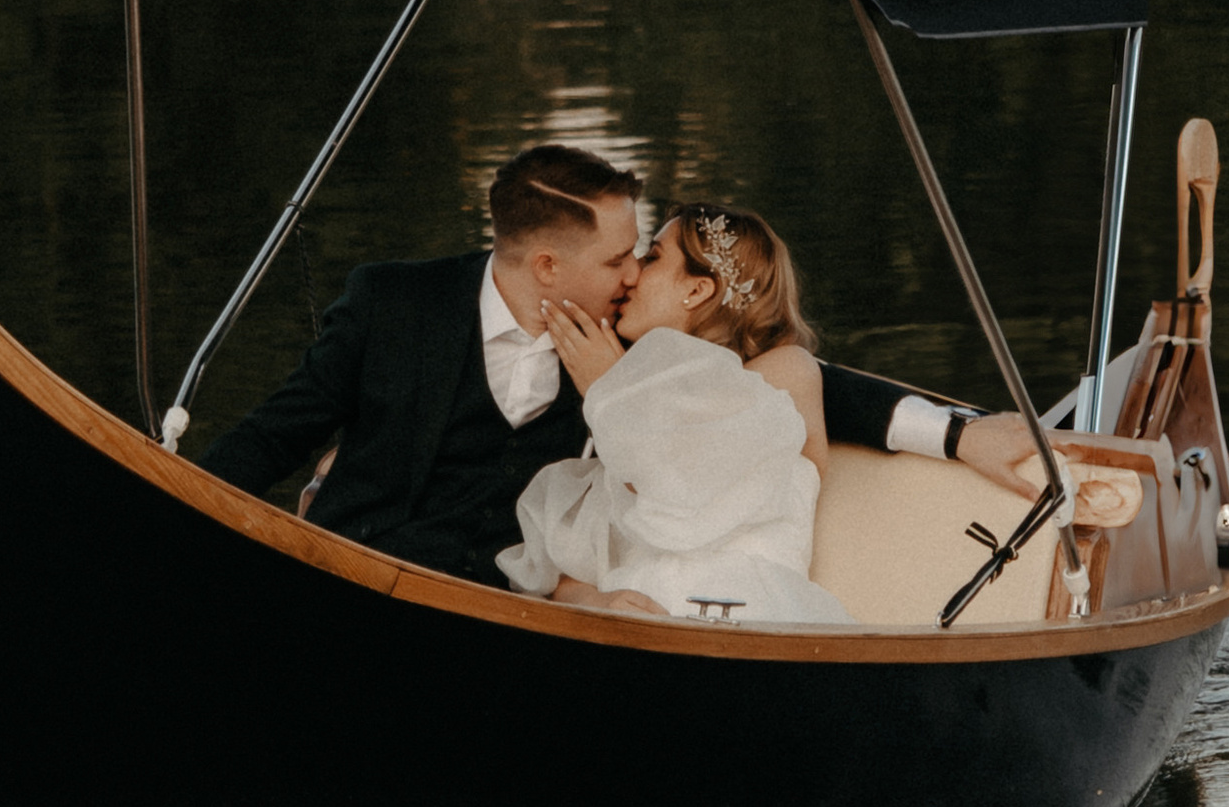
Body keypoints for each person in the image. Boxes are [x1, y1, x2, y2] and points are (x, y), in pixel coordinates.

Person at [198, 142, 1053, 585]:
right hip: (349, 574)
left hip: (504, 608)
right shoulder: (391, 304)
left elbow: (790, 377)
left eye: (643, 256)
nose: (633, 273)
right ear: (545, 267)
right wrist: (180, 508)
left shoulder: (634, 348)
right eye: (619, 258)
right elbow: (277, 430)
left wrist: (955, 434)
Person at [500, 202, 855, 624]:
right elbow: (566, 558)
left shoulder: (783, 372)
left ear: (696, 290)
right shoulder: (627, 396)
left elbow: (680, 485)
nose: (631, 274)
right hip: (637, 618)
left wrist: (610, 390)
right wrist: (592, 600)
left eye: (652, 257)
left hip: (753, 618)